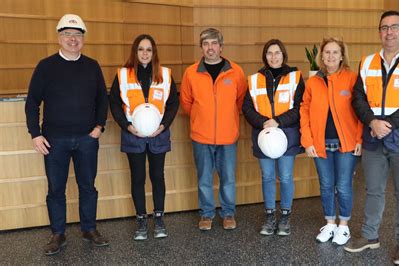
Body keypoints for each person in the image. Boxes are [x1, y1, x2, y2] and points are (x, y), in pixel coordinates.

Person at [344, 11, 399, 265]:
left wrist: (388, 124)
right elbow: (357, 98)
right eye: (384, 27)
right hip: (373, 137)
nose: (389, 32)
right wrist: (372, 122)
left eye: (394, 27)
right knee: (373, 190)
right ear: (379, 32)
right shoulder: (367, 62)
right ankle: (370, 235)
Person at [25, 14, 109, 255]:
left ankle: (89, 229)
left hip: (87, 139)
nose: (73, 39)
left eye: (77, 35)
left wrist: (99, 126)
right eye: (67, 35)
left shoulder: (92, 66)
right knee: (55, 189)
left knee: (88, 186)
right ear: (59, 38)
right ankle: (58, 234)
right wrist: (35, 134)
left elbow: (102, 99)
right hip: (55, 140)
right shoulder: (46, 66)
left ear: (83, 39)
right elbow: (32, 102)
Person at [109, 34, 179, 240]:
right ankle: (141, 220)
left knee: (157, 177)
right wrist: (127, 126)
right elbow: (113, 103)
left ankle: (158, 219)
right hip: (134, 136)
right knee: (138, 178)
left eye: (149, 49)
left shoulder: (165, 74)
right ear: (135, 51)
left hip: (158, 135)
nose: (145, 53)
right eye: (141, 49)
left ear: (154, 52)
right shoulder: (123, 75)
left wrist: (164, 125)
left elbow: (173, 103)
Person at [180, 28, 246, 231]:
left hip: (228, 136)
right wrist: (203, 119)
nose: (210, 47)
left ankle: (228, 214)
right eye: (206, 43)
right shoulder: (191, 72)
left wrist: (226, 120)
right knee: (204, 178)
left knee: (227, 178)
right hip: (202, 136)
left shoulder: (236, 72)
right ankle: (206, 214)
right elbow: (186, 103)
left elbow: (241, 101)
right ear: (201, 47)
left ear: (221, 46)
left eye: (214, 43)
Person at [300, 36, 362, 245]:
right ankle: (330, 223)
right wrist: (307, 141)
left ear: (342, 56)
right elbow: (304, 112)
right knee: (326, 185)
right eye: (327, 52)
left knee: (343, 185)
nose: (331, 56)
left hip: (346, 143)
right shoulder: (313, 82)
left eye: (335, 52)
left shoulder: (352, 78)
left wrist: (359, 138)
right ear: (321, 56)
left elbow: (363, 109)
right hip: (320, 143)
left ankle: (343, 227)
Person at [242, 39, 304, 236]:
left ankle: (285, 217)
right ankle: (269, 217)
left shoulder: (295, 77)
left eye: (277, 53)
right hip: (263, 136)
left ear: (283, 55)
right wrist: (264, 123)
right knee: (267, 177)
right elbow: (247, 108)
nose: (274, 57)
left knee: (285, 176)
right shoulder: (253, 80)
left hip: (288, 135)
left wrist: (278, 121)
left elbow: (300, 108)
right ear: (265, 56)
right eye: (270, 53)